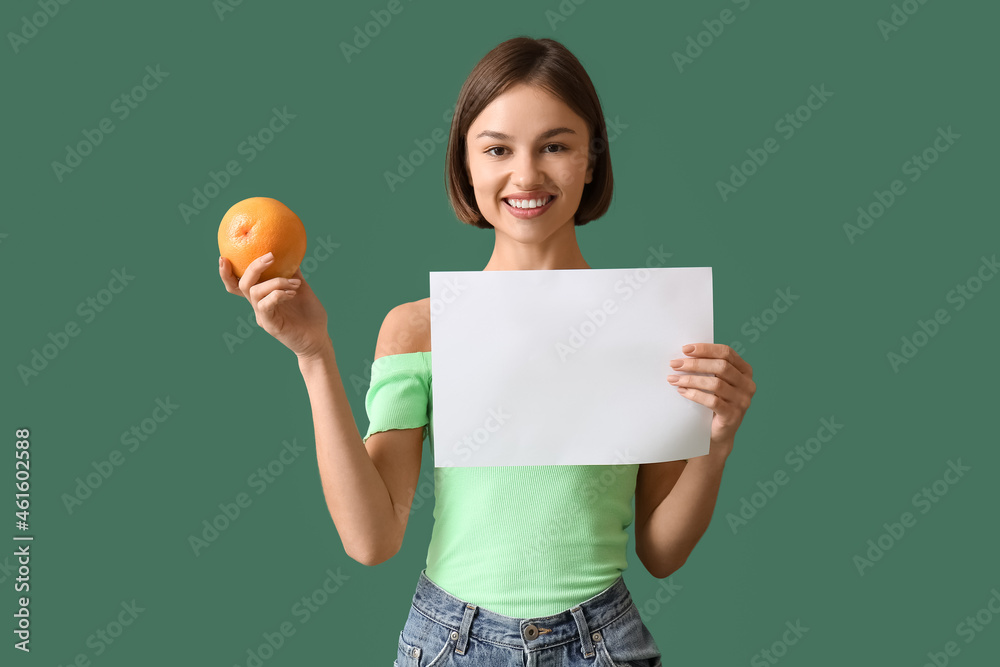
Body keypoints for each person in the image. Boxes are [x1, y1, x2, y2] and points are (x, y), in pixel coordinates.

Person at [219, 35, 755, 667]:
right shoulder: (418, 330)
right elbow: (372, 537)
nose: (525, 174)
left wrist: (715, 444)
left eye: (555, 146)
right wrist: (313, 355)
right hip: (451, 642)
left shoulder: (648, 325)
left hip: (602, 643)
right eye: (498, 149)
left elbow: (661, 552)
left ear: (592, 160)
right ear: (465, 165)